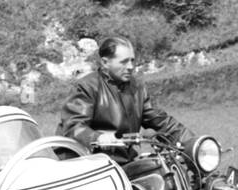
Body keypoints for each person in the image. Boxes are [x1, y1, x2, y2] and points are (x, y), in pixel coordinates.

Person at [58, 35, 192, 158]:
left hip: (124, 160)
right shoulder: (87, 87)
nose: (130, 66)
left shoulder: (137, 88)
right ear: (105, 62)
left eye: (132, 61)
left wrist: (195, 143)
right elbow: (73, 126)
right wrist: (97, 137)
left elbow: (161, 121)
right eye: (124, 62)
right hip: (91, 163)